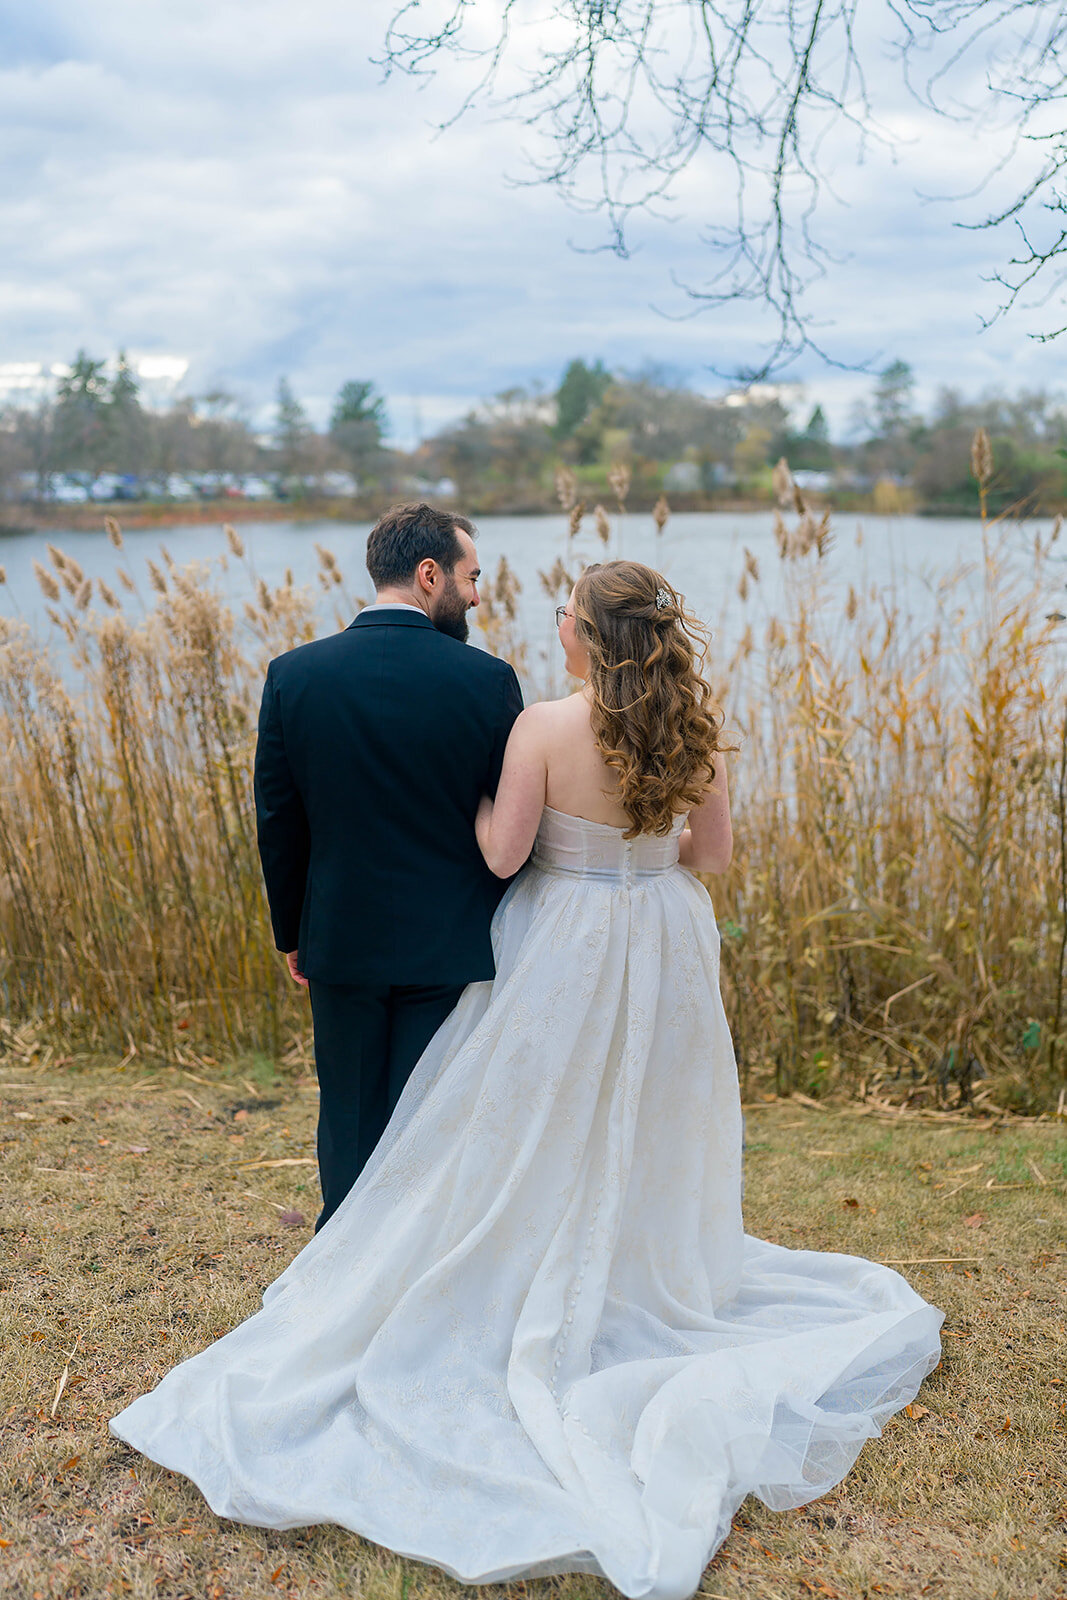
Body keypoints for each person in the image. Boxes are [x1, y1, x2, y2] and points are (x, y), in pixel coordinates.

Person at [111, 560, 943, 1600]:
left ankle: (531, 1244)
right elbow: (710, 854)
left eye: (562, 614)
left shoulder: (544, 726)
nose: (552, 626)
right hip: (663, 938)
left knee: (529, 1113)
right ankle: (631, 1253)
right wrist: (642, 845)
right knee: (635, 1109)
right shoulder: (694, 727)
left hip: (568, 936)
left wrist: (471, 821)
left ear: (586, 636)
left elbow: (503, 858)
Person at [253, 501, 523, 1227]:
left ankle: (339, 1261)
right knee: (431, 1115)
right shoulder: (488, 680)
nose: (476, 595)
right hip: (451, 943)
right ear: (428, 573)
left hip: (339, 939)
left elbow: (279, 824)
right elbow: (509, 819)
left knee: (348, 1113)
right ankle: (416, 1265)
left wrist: (293, 933)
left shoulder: (293, 676)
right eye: (470, 577)